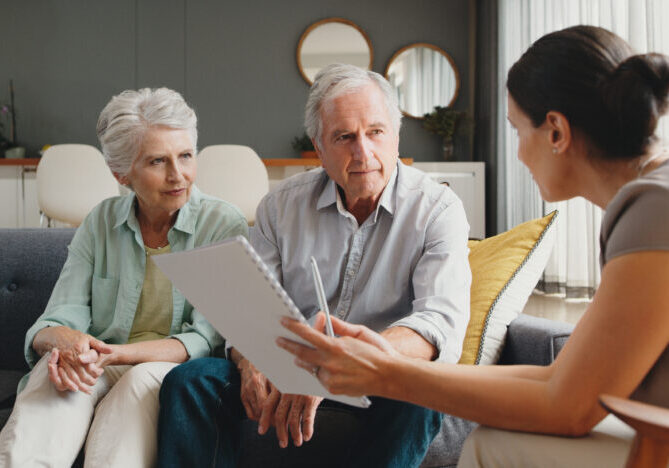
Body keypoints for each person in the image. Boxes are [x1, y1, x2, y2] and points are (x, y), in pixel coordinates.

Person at [277, 25, 669, 467]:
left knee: (488, 446)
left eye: (517, 130)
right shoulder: (648, 199)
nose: (518, 154)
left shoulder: (653, 207)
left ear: (556, 131)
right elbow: (561, 377)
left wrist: (386, 372)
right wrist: (391, 370)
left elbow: (572, 408)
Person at [157, 64, 472, 467]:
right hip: (287, 367)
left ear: (396, 136)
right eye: (344, 137)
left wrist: (338, 361)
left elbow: (438, 324)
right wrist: (252, 360)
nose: (363, 153)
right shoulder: (280, 206)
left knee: (422, 395)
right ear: (319, 148)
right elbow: (248, 311)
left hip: (381, 376)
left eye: (375, 132)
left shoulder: (438, 210)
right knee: (189, 381)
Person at [0, 88, 248, 468]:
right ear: (122, 173)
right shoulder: (100, 222)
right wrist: (61, 341)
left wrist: (118, 354)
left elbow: (205, 338)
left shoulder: (221, 223)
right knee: (54, 376)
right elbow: (58, 317)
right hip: (97, 360)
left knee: (137, 384)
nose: (177, 175)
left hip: (161, 366)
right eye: (156, 161)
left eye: (185, 156)